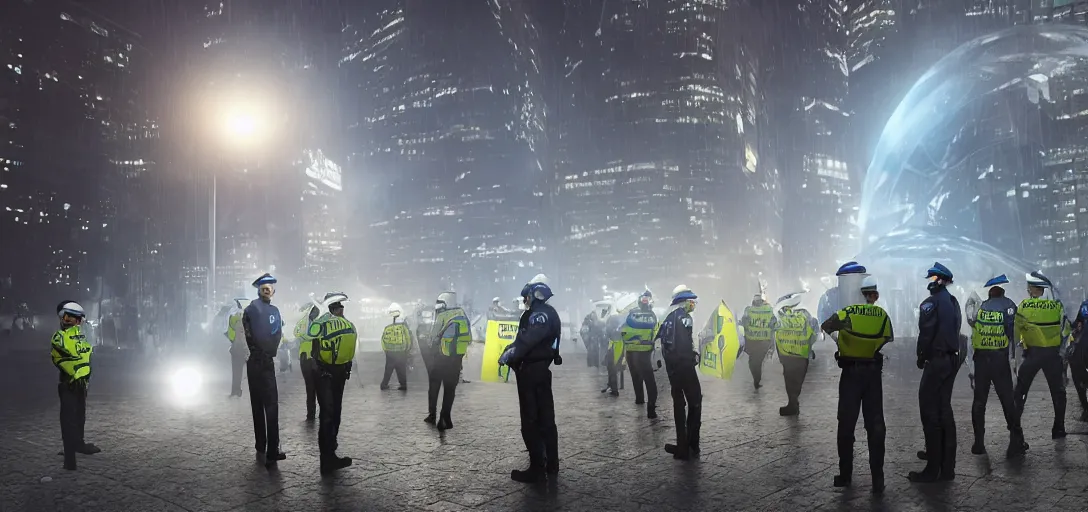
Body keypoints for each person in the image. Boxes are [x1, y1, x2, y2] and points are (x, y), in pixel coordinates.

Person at [821, 276, 891, 493]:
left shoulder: (847, 312)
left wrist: (840, 339)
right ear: (874, 295)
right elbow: (886, 339)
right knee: (876, 425)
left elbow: (827, 326)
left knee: (846, 424)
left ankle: (845, 475)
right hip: (872, 375)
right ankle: (877, 479)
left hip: (850, 374)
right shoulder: (882, 315)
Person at [500, 274, 562, 482]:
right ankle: (551, 463)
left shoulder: (539, 315)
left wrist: (511, 354)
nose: (525, 300)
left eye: (526, 296)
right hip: (540, 370)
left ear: (534, 294)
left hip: (531, 372)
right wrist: (512, 348)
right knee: (546, 419)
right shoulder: (546, 312)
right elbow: (526, 340)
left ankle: (537, 468)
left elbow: (528, 341)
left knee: (531, 421)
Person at [909, 262, 962, 483]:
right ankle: (947, 467)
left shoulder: (930, 304)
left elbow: (926, 333)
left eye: (932, 279)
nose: (929, 283)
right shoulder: (953, 301)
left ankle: (932, 469)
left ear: (939, 280)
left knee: (929, 412)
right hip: (951, 360)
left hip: (937, 361)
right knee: (944, 410)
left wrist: (921, 355)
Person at [965, 274, 1027, 458]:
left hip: (981, 360)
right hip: (999, 359)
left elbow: (972, 331)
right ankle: (1016, 441)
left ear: (990, 294)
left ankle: (978, 443)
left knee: (979, 402)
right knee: (1008, 400)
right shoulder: (1009, 306)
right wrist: (1014, 361)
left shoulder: (981, 307)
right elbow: (1012, 334)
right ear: (1003, 292)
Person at [1013, 271, 1071, 440]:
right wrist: (1059, 346)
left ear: (1033, 289)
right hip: (1052, 355)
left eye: (1029, 287)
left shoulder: (1024, 306)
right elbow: (1065, 329)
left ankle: (1016, 428)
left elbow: (1017, 332)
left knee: (1021, 391)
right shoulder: (1057, 306)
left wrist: (1021, 347)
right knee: (1058, 392)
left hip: (1032, 354)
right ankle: (1058, 428)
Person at [308, 299, 357, 474]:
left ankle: (331, 451)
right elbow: (310, 336)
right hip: (324, 372)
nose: (340, 310)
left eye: (341, 307)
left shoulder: (346, 324)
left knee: (335, 412)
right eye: (337, 308)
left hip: (339, 372)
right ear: (331, 310)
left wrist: (347, 367)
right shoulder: (321, 323)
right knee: (328, 413)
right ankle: (326, 458)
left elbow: (349, 347)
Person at [243, 273, 286, 468]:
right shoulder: (273, 311)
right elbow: (276, 334)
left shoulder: (249, 309)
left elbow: (249, 335)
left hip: (252, 362)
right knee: (271, 406)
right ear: (269, 291)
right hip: (265, 362)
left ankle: (260, 444)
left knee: (257, 405)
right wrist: (269, 351)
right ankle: (272, 451)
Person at [51, 301, 100, 471]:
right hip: (68, 383)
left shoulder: (81, 336)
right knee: (68, 420)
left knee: (80, 416)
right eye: (67, 317)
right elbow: (71, 357)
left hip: (80, 383)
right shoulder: (61, 337)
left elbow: (87, 353)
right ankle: (69, 458)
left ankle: (77, 444)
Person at [658, 285, 701, 460]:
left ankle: (682, 443)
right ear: (683, 302)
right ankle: (692, 444)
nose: (693, 304)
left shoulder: (667, 317)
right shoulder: (684, 318)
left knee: (678, 404)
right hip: (684, 366)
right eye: (691, 301)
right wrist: (692, 358)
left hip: (672, 368)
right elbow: (683, 344)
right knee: (695, 401)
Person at [426, 292, 472, 430]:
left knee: (434, 386)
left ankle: (432, 416)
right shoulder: (462, 314)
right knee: (450, 389)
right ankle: (445, 418)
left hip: (441, 358)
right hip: (456, 359)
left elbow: (431, 338)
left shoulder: (442, 316)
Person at [773, 292, 817, 416]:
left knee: (790, 380)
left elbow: (773, 331)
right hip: (801, 355)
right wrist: (809, 349)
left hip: (787, 355)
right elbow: (813, 333)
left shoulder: (779, 316)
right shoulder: (805, 315)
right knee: (797, 381)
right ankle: (793, 403)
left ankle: (793, 403)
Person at [621, 291, 659, 418]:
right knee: (650, 382)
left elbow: (623, 330)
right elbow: (656, 332)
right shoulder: (652, 316)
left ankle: (639, 400)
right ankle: (651, 410)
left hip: (631, 352)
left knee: (636, 377)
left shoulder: (631, 314)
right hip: (644, 353)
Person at [741, 293, 775, 389]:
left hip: (751, 341)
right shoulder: (769, 310)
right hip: (764, 342)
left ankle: (756, 379)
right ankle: (757, 380)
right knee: (759, 361)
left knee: (752, 362)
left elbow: (744, 322)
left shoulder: (748, 310)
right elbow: (773, 324)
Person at [295, 304, 321, 422]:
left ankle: (315, 414)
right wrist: (309, 337)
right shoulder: (304, 323)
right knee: (311, 387)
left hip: (314, 357)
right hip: (307, 357)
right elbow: (296, 333)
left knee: (318, 387)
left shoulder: (318, 323)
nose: (315, 314)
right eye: (314, 312)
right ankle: (311, 414)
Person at [380, 302, 413, 391]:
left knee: (388, 369)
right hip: (401, 351)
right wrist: (408, 349)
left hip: (390, 352)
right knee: (401, 369)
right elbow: (408, 339)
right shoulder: (403, 327)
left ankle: (384, 384)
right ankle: (403, 385)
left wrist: (385, 350)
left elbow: (383, 340)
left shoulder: (387, 327)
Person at [1070, 298, 1088, 421]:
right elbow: (1077, 322)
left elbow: (1077, 323)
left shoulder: (1085, 305)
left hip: (1084, 347)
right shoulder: (1085, 305)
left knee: (1078, 375)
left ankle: (1086, 408)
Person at [226, 298, 248, 398]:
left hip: (237, 347)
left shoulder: (236, 317)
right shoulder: (240, 317)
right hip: (239, 347)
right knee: (238, 371)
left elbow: (237, 335)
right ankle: (236, 390)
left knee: (237, 371)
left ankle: (236, 390)